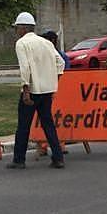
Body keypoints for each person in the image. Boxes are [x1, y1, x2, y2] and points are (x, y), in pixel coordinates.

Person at [7, 12, 66, 170]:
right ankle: (58, 157)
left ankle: (19, 160)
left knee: (24, 126)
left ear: (23, 29)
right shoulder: (46, 42)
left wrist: (25, 89)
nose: (16, 31)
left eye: (17, 28)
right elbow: (60, 62)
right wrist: (54, 81)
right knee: (48, 124)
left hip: (32, 90)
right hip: (46, 91)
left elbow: (25, 67)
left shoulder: (21, 43)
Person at [39, 29, 71, 157]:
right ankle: (45, 146)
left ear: (52, 41)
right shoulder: (54, 55)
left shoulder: (59, 56)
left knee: (54, 119)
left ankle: (56, 146)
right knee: (47, 120)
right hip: (49, 91)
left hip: (54, 92)